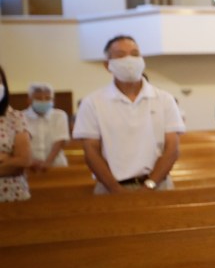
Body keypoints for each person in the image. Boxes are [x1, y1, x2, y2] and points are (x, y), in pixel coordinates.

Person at [72, 35, 185, 193]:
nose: (129, 59)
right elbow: (91, 151)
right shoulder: (92, 102)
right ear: (107, 65)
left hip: (159, 185)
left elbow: (172, 148)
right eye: (120, 55)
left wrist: (151, 184)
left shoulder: (164, 99)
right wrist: (115, 188)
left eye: (134, 54)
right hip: (110, 189)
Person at [0, 66, 31, 202]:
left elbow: (23, 161)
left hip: (12, 196)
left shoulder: (15, 117)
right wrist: (6, 160)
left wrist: (14, 161)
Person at [24, 82, 70, 171]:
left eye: (48, 98)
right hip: (29, 167)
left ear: (53, 100)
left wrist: (48, 162)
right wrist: (31, 161)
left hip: (56, 165)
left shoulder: (60, 115)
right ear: (29, 100)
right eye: (38, 98)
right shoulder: (21, 117)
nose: (43, 101)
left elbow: (60, 140)